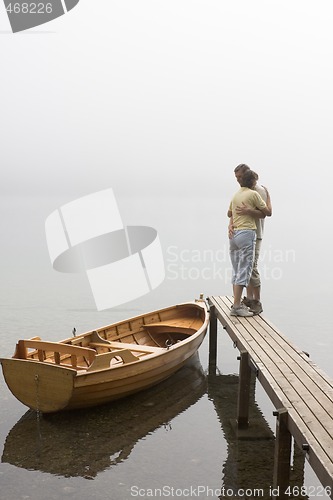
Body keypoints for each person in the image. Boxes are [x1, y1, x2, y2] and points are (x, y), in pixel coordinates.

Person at [228, 164, 272, 314]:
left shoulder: (258, 191)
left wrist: (248, 211)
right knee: (242, 267)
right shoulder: (241, 192)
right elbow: (232, 212)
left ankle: (256, 301)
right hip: (241, 233)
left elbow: (266, 212)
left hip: (255, 233)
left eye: (240, 177)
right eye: (236, 177)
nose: (238, 180)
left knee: (250, 267)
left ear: (248, 175)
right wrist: (230, 224)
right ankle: (246, 299)